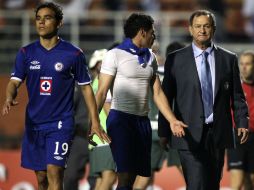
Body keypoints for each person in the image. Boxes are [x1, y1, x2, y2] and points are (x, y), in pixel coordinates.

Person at [1, 2, 110, 190]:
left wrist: (94, 121)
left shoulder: (73, 54)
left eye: (47, 18)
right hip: (34, 124)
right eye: (38, 18)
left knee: (55, 172)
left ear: (59, 23)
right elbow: (14, 82)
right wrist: (9, 96)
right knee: (41, 177)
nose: (41, 22)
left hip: (61, 123)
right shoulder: (26, 53)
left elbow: (86, 89)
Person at [158, 9, 249, 190]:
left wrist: (242, 121)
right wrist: (164, 130)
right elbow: (166, 96)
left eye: (206, 26)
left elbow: (237, 96)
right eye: (198, 26)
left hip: (217, 134)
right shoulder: (175, 59)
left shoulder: (228, 59)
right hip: (187, 133)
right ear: (190, 29)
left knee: (211, 184)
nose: (202, 30)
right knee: (196, 183)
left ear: (213, 29)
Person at [94, 13, 186, 190]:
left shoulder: (150, 57)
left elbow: (157, 93)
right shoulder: (114, 55)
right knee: (125, 174)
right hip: (121, 120)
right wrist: (94, 122)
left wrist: (173, 120)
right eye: (153, 32)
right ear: (143, 32)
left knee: (134, 177)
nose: (154, 36)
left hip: (141, 122)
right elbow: (102, 92)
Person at [146, 41, 185, 190]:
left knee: (144, 177)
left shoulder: (146, 72)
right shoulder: (181, 74)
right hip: (174, 128)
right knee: (189, 172)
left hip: (150, 128)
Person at [88, 49, 117, 190]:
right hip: (106, 136)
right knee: (109, 177)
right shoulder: (103, 81)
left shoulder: (95, 82)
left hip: (98, 138)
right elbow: (108, 108)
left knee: (100, 180)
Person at [227, 50, 254, 190]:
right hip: (237, 136)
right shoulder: (234, 86)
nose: (244, 67)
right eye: (242, 64)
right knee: (236, 183)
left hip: (253, 137)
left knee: (251, 182)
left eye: (248, 64)